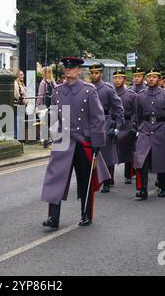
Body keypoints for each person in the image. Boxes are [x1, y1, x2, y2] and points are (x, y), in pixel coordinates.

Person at [41, 57, 109, 229]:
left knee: (85, 180)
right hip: (63, 139)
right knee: (55, 178)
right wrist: (51, 133)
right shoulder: (57, 91)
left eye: (72, 68)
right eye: (67, 68)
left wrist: (97, 142)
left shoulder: (88, 90)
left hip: (82, 140)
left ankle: (86, 214)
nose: (69, 70)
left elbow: (97, 118)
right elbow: (54, 115)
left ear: (79, 71)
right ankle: (52, 217)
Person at [134, 68, 165, 200]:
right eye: (149, 77)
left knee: (161, 158)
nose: (151, 79)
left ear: (159, 80)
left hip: (162, 128)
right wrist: (139, 128)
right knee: (141, 158)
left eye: (154, 77)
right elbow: (138, 114)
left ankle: (162, 186)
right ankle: (142, 189)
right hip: (145, 128)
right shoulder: (141, 95)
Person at [89, 63, 125, 193]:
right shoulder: (88, 88)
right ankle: (94, 179)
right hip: (91, 122)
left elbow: (118, 108)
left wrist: (117, 126)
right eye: (92, 73)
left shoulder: (108, 89)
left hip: (106, 121)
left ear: (101, 74)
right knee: (93, 152)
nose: (94, 75)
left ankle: (107, 181)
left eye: (96, 73)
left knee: (106, 153)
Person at [113, 70, 138, 185]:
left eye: (119, 78)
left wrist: (134, 126)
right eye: (115, 78)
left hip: (127, 125)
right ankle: (109, 179)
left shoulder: (131, 95)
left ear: (124, 80)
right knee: (111, 151)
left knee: (128, 151)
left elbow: (136, 112)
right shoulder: (110, 93)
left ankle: (128, 175)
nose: (117, 80)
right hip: (114, 124)